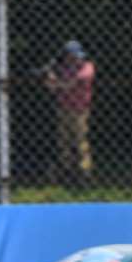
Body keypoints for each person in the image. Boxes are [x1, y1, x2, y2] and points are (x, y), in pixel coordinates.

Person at [44, 40, 96, 185]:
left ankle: (85, 172)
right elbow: (52, 88)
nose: (75, 59)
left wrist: (56, 82)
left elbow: (70, 85)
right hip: (63, 108)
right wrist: (50, 78)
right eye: (71, 56)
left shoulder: (87, 68)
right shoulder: (63, 68)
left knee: (80, 142)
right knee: (64, 141)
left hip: (80, 110)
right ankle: (66, 170)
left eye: (77, 56)